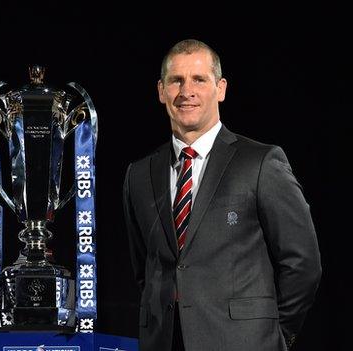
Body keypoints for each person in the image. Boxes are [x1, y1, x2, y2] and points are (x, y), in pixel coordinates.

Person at [122, 39, 321, 351]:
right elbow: (144, 270)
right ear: (161, 91)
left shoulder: (261, 162)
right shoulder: (138, 174)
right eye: (176, 80)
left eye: (199, 79)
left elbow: (303, 263)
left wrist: (276, 335)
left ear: (221, 88)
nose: (186, 91)